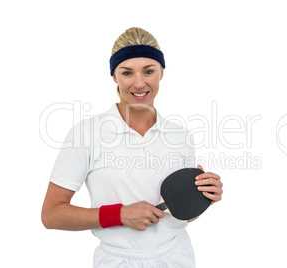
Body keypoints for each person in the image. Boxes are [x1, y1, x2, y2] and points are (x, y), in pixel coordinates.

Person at [42, 27, 223, 267]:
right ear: (115, 77)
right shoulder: (85, 134)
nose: (139, 84)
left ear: (161, 73)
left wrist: (203, 197)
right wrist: (119, 215)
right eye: (127, 73)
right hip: (118, 261)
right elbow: (52, 215)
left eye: (149, 71)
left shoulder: (180, 136)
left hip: (177, 257)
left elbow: (181, 215)